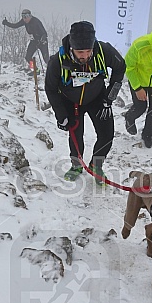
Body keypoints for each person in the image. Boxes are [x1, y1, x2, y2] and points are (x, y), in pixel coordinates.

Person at [45, 21, 126, 184]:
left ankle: (97, 165)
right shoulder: (58, 61)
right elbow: (51, 89)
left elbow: (120, 67)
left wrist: (109, 97)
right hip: (70, 101)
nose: (85, 56)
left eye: (88, 51)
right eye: (80, 52)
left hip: (98, 98)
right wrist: (61, 115)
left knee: (107, 135)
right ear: (72, 48)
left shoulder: (104, 51)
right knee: (75, 134)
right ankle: (76, 165)